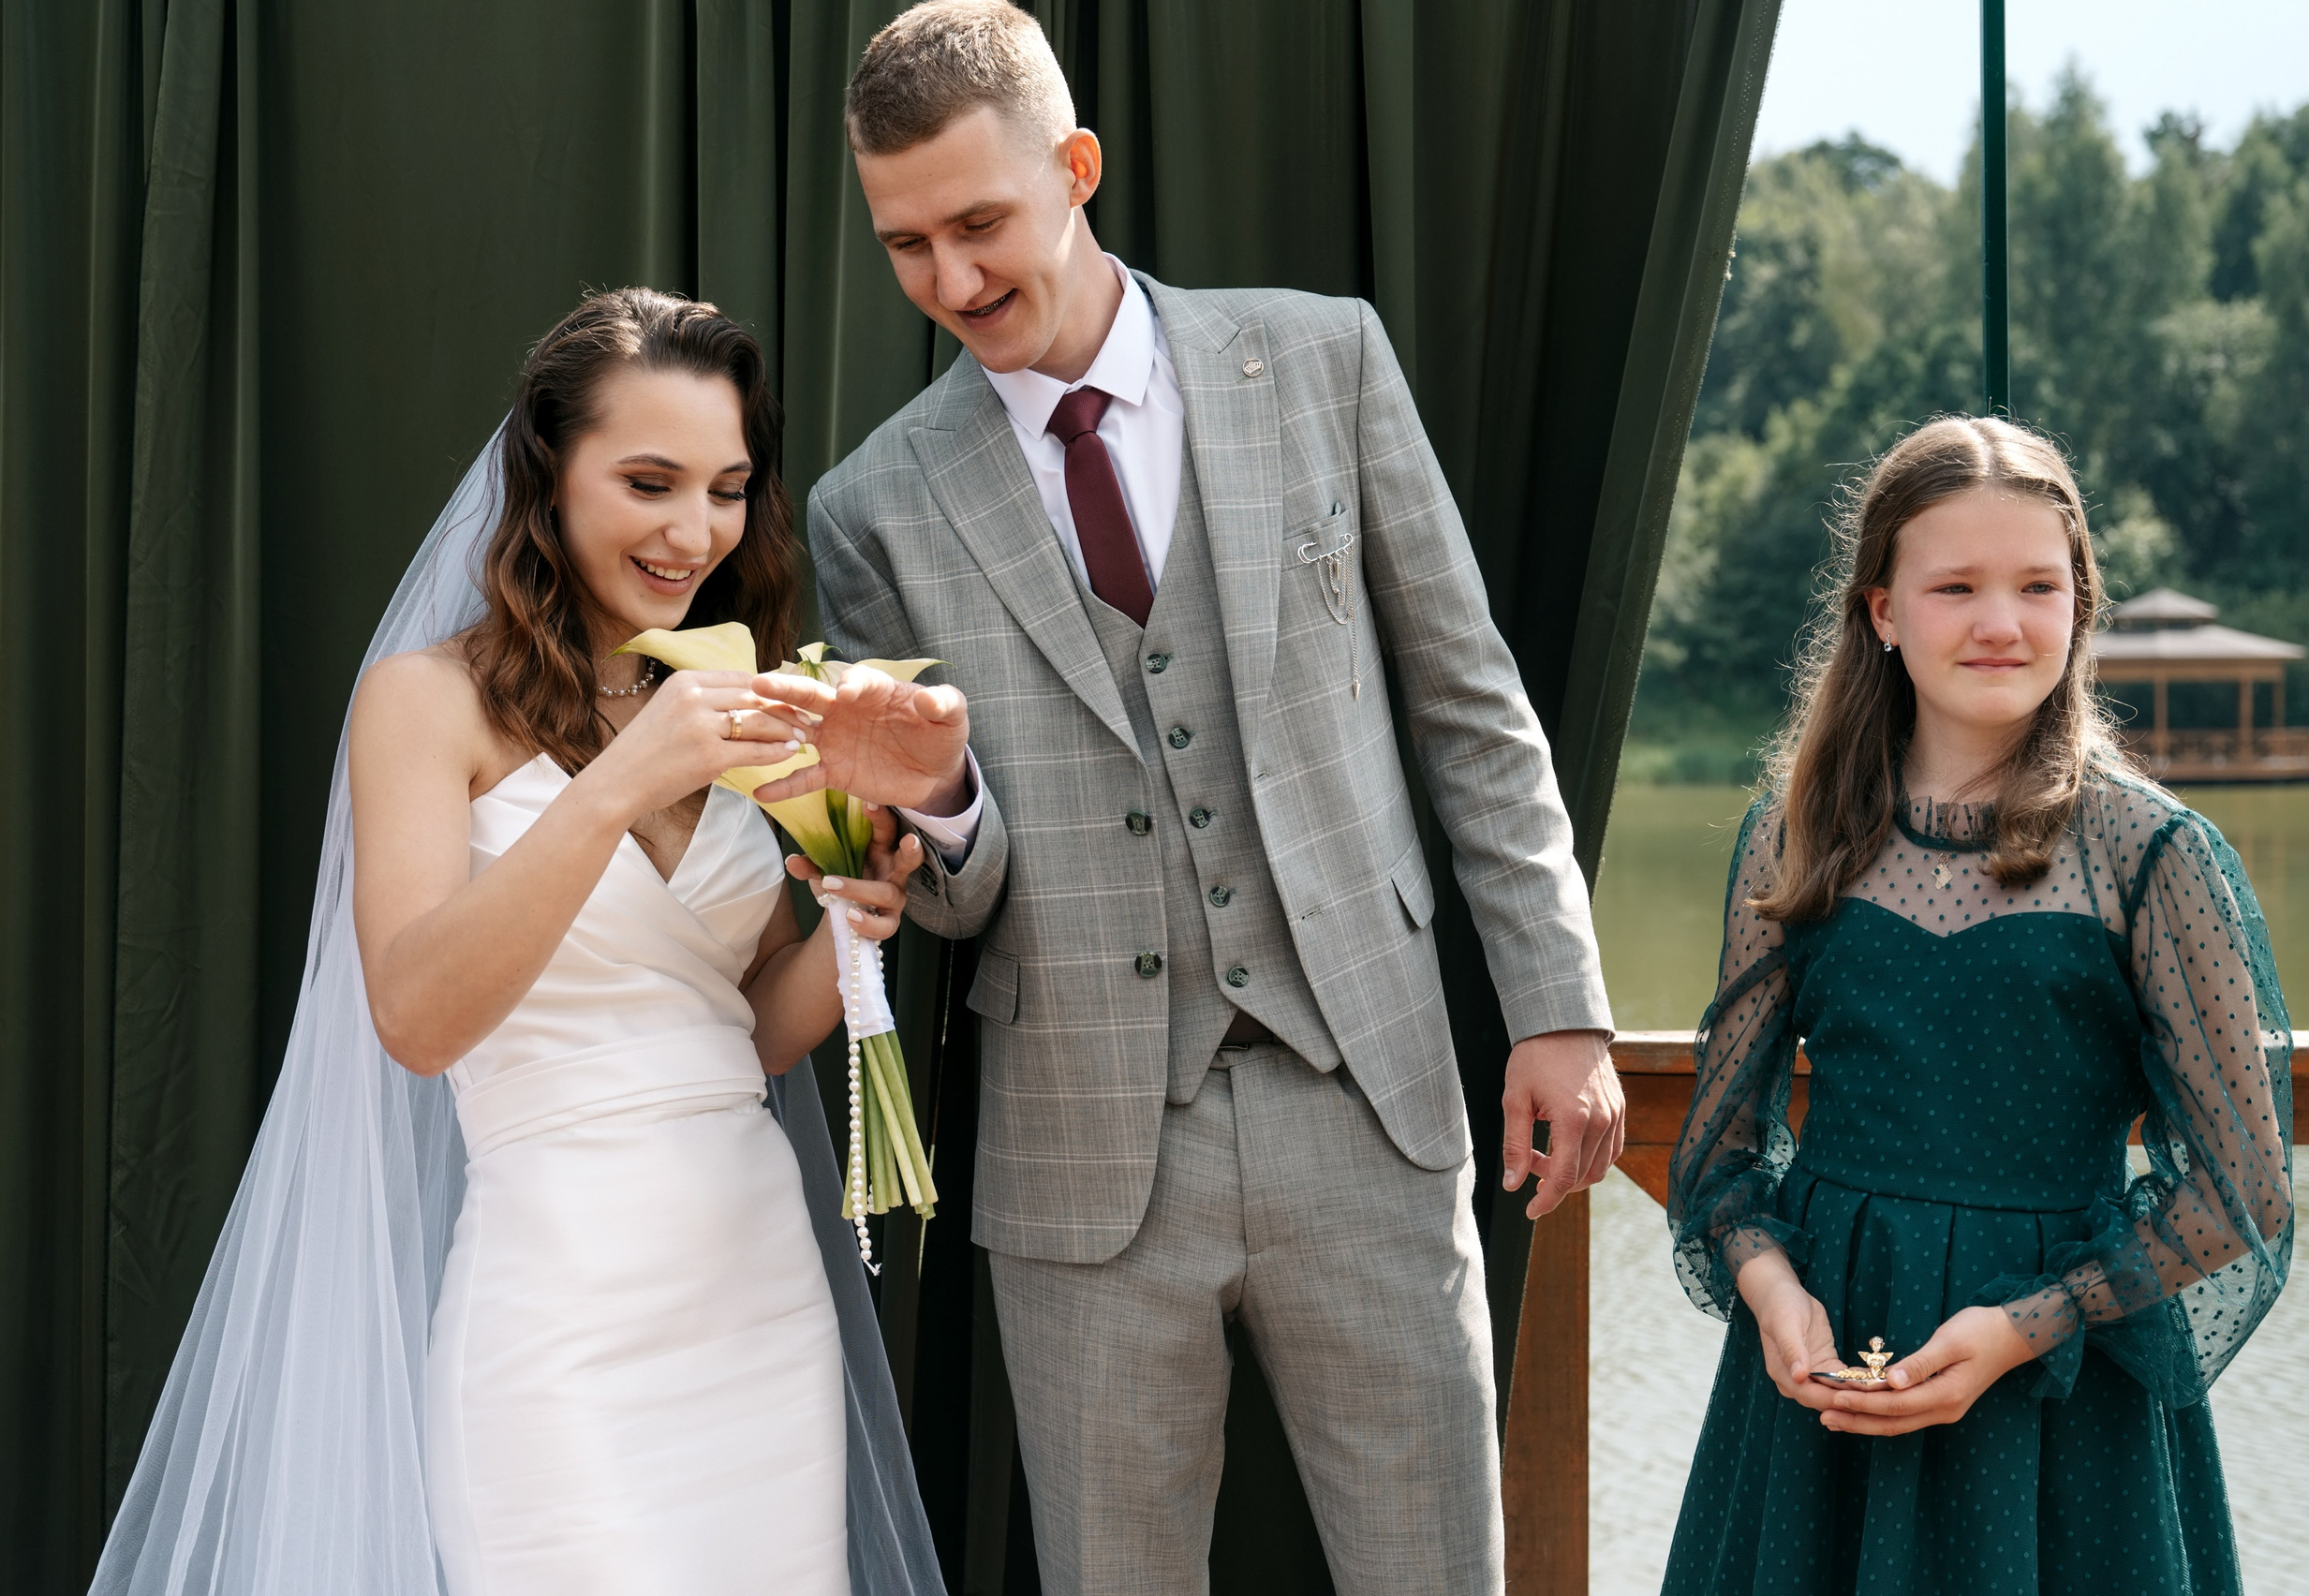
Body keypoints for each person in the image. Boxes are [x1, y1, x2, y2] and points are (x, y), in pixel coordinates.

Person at [753, 4, 1625, 1589]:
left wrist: (1557, 1002)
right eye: (905, 246)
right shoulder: (872, 502)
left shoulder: (1321, 356)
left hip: (1365, 1097)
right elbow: (948, 890)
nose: (951, 281)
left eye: (980, 223)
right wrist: (939, 792)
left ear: (1075, 168)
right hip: (1085, 1148)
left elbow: (1470, 705)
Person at [90, 290, 952, 1595]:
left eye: (726, 489)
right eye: (649, 481)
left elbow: (739, 1034)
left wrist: (847, 938)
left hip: (757, 1295)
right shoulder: (425, 703)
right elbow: (418, 1020)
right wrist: (616, 784)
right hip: (562, 1316)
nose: (693, 531)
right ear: (548, 477)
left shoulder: (739, 691)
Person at [1661, 415, 2294, 1595]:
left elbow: (2242, 1186)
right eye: (1954, 585)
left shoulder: (2154, 856)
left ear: (2078, 606)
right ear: (1881, 613)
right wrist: (1771, 1292)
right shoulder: (1795, 838)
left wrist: (2025, 1324)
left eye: (2036, 585)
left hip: (2059, 1389)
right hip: (1823, 1378)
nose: (2000, 622)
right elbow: (1717, 1152)